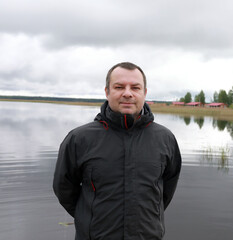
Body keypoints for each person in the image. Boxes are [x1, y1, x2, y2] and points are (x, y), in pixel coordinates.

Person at [53, 62, 182, 240]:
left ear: (144, 93)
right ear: (107, 92)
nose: (127, 93)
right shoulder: (79, 139)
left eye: (135, 87)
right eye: (119, 87)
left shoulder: (165, 139)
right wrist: (90, 219)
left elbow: (166, 190)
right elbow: (64, 189)